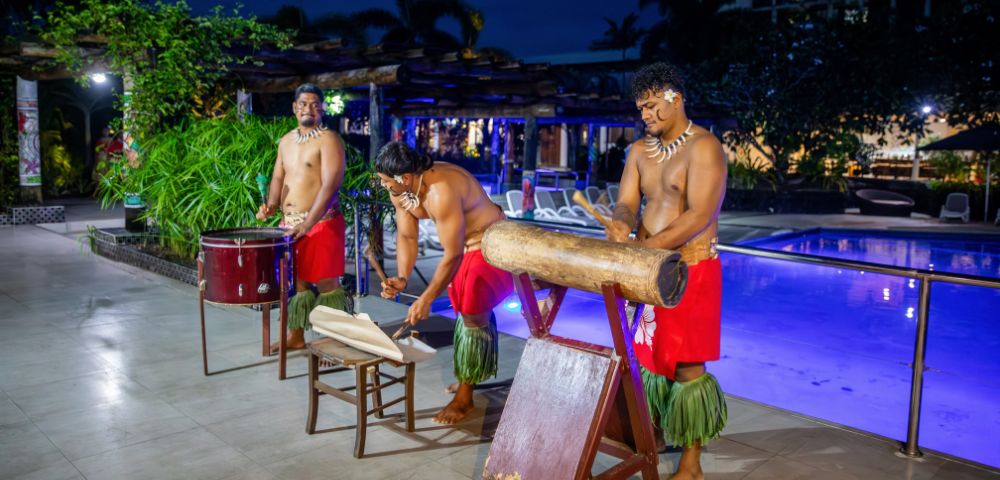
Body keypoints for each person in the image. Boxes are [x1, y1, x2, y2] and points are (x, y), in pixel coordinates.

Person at [607, 62, 728, 480]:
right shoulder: (639, 152)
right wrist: (621, 222)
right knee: (647, 355)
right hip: (648, 268)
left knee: (687, 366)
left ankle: (691, 462)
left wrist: (645, 249)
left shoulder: (704, 147)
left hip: (690, 268)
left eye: (651, 105)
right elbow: (627, 202)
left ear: (676, 98)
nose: (645, 114)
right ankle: (652, 434)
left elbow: (699, 215)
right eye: (641, 108)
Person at [375, 141, 512, 424]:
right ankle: (468, 376)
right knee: (466, 308)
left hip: (492, 241)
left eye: (386, 181)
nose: (383, 186)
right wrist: (402, 277)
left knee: (471, 310)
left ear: (406, 177)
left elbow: (453, 254)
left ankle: (465, 396)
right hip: (465, 246)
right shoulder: (400, 190)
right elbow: (407, 236)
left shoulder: (441, 190)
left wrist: (427, 298)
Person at [256, 83, 348, 352]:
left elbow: (331, 185)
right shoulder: (286, 141)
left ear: (323, 109)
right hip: (290, 224)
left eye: (315, 104)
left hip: (322, 222)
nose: (309, 108)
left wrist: (308, 223)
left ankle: (334, 341)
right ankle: (296, 336)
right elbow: (278, 176)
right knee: (297, 282)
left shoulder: (329, 140)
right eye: (303, 103)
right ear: (295, 107)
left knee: (327, 283)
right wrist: (271, 205)